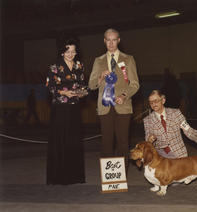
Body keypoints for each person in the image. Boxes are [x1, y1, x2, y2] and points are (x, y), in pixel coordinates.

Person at [88, 28, 139, 171]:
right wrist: (100, 78)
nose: (111, 43)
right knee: (106, 143)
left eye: (114, 40)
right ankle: (109, 178)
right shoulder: (98, 61)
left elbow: (135, 84)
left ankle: (121, 176)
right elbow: (91, 85)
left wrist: (124, 95)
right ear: (104, 41)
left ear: (118, 41)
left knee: (123, 142)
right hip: (104, 107)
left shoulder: (128, 59)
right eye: (108, 40)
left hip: (123, 106)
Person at [46, 38, 88, 185]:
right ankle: (59, 177)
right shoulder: (55, 66)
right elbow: (50, 87)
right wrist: (64, 93)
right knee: (61, 140)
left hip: (75, 107)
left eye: (73, 51)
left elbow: (82, 84)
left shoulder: (79, 65)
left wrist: (82, 92)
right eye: (68, 51)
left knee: (74, 141)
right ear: (62, 52)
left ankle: (75, 176)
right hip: (60, 108)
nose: (71, 54)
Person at [143, 90, 197, 159]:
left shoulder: (176, 113)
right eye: (151, 102)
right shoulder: (147, 120)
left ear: (163, 100)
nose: (153, 104)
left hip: (179, 153)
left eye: (156, 101)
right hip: (160, 156)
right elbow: (147, 138)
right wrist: (150, 139)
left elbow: (188, 130)